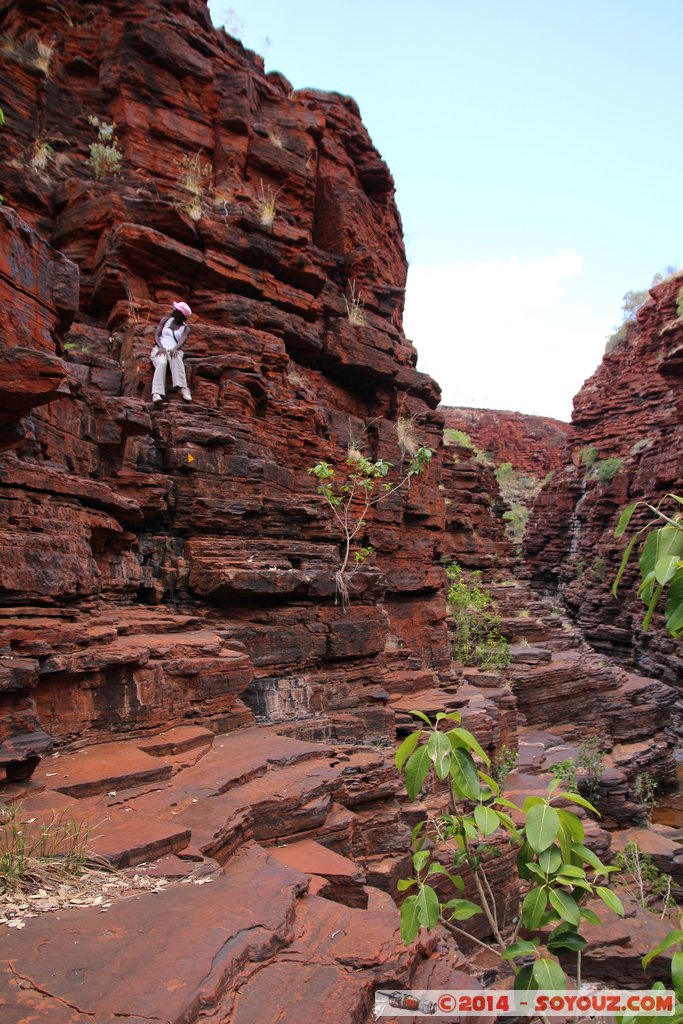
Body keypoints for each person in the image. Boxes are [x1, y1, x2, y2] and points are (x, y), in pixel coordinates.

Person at [151, 301, 193, 403]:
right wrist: (160, 347)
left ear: (180, 314)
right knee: (162, 362)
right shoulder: (166, 320)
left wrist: (175, 348)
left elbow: (182, 341)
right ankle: (156, 393)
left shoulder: (186, 328)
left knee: (176, 357)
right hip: (161, 348)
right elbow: (156, 335)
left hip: (174, 349)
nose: (173, 310)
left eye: (175, 309)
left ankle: (183, 388)